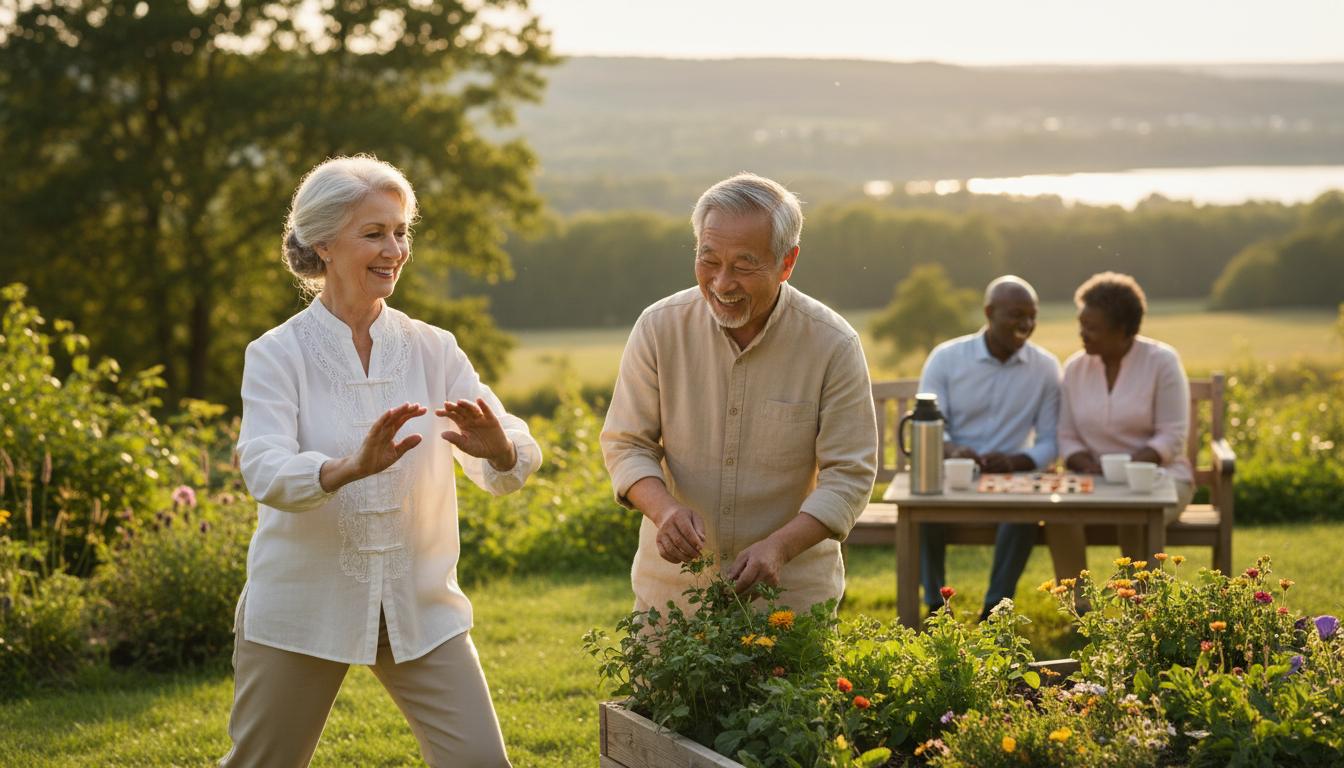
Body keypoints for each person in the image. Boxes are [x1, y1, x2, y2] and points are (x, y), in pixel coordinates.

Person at [221, 156, 541, 768]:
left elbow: (514, 450)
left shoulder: (432, 347)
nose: (394, 248)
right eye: (374, 233)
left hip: (418, 605)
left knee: (481, 762)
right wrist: (346, 468)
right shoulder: (276, 354)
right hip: (303, 605)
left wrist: (498, 447)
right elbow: (262, 466)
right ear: (323, 244)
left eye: (400, 232)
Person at [600, 173, 878, 614]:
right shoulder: (658, 328)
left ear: (787, 263)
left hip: (789, 600)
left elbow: (850, 474)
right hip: (671, 599)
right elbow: (626, 443)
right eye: (709, 260)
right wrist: (665, 511)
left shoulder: (833, 344)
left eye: (744, 265)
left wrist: (780, 548)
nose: (722, 282)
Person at [917, 276, 1062, 620]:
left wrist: (1018, 460)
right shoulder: (947, 358)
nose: (1026, 324)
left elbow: (1050, 442)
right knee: (923, 506)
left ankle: (994, 612)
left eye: (1032, 315)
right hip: (953, 477)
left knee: (1023, 511)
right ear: (989, 312)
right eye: (1016, 314)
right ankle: (937, 608)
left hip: (1010, 481)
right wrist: (953, 452)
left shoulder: (1045, 368)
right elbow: (928, 428)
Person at [1055, 271, 1194, 568]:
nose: (1082, 333)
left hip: (1160, 478)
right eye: (1081, 324)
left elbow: (1172, 436)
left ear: (1122, 330)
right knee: (1058, 515)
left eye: (1091, 327)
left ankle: (1141, 610)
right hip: (1093, 481)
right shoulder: (1074, 368)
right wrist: (1084, 463)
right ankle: (1080, 608)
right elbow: (1066, 434)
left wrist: (1128, 469)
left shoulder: (1162, 362)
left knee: (1135, 513)